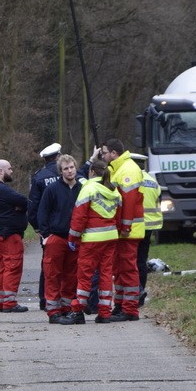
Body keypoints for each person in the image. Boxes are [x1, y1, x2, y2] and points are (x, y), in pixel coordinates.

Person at [60, 159, 121, 324]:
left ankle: (78, 310)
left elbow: (79, 216)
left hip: (92, 239)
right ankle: (105, 313)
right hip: (110, 238)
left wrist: (73, 237)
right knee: (106, 274)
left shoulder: (88, 189)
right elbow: (119, 217)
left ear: (92, 172)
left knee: (84, 274)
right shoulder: (114, 190)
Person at [37, 154, 83, 324]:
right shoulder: (52, 189)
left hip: (76, 238)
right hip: (56, 237)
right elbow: (43, 212)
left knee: (71, 275)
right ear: (61, 171)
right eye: (66, 168)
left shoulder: (82, 189)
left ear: (75, 167)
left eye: (71, 167)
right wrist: (46, 235)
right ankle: (53, 311)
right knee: (52, 274)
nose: (69, 171)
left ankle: (67, 308)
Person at [103, 138, 145, 322]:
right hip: (121, 229)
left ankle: (130, 309)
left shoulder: (128, 170)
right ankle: (120, 305)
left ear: (114, 154)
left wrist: (126, 226)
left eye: (104, 152)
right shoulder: (118, 169)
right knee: (119, 269)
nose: (102, 155)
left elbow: (128, 201)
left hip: (128, 230)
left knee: (127, 269)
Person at [0, 159, 29, 312]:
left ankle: (1, 302)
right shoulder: (1, 189)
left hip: (1, 233)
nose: (11, 171)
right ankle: (9, 303)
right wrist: (19, 208)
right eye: (9, 169)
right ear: (0, 171)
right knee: (13, 265)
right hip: (8, 234)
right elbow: (23, 200)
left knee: (4, 267)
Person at [28, 142, 62, 311]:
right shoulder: (69, 174)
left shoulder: (39, 177)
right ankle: (63, 298)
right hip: (66, 227)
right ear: (58, 157)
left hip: (47, 229)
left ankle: (44, 299)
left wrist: (38, 228)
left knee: (47, 265)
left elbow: (33, 206)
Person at [134, 153, 162, 305]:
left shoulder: (133, 181)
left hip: (135, 226)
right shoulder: (153, 181)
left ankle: (137, 291)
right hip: (150, 226)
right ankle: (141, 289)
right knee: (142, 260)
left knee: (132, 261)